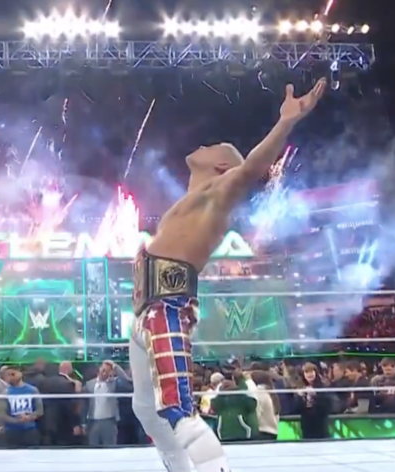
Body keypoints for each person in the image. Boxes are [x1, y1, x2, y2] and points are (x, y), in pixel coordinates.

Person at [129, 78, 326, 472]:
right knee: (145, 409)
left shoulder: (219, 193)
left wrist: (285, 122)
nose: (202, 144)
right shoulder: (190, 201)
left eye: (213, 146)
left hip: (166, 307)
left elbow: (253, 167)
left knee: (178, 408)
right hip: (147, 312)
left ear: (221, 166)